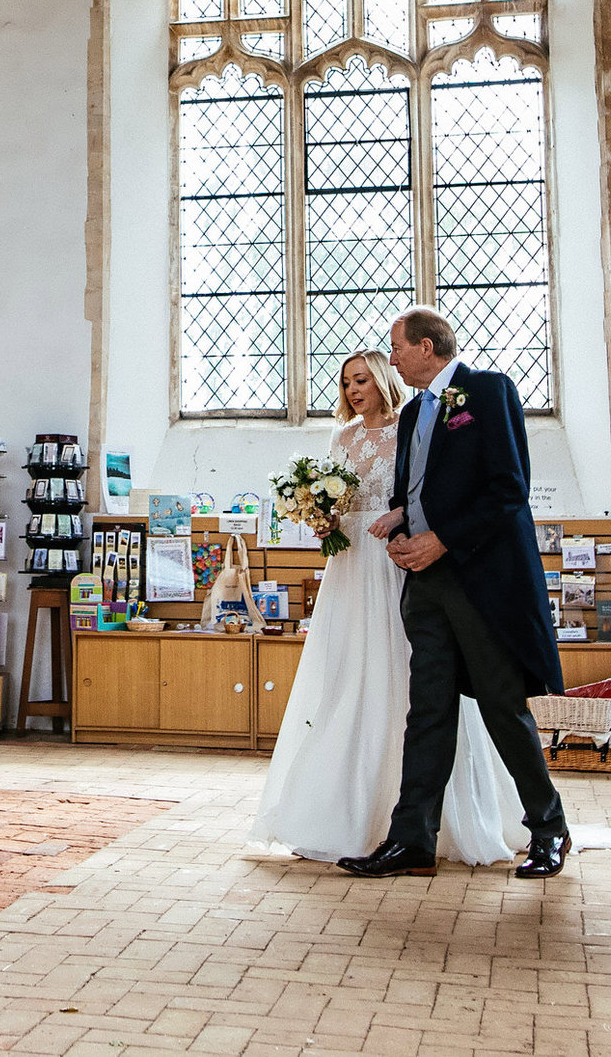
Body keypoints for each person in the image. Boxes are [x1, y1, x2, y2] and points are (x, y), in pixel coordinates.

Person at [248, 350, 523, 865]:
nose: (354, 391)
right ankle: (343, 811)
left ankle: (419, 818)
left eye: (362, 380)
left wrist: (397, 515)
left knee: (408, 676)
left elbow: (424, 489)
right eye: (347, 382)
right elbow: (338, 501)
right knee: (348, 674)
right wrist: (322, 517)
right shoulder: (342, 437)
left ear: (381, 380)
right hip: (349, 564)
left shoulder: (412, 423)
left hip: (395, 557)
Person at [338, 306, 569, 880]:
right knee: (429, 711)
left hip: (477, 577)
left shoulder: (487, 391)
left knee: (499, 706)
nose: (390, 359)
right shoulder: (413, 410)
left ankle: (549, 829)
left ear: (425, 346)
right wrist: (400, 519)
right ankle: (411, 839)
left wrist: (441, 540)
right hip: (424, 582)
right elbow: (423, 486)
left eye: (396, 347)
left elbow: (508, 491)